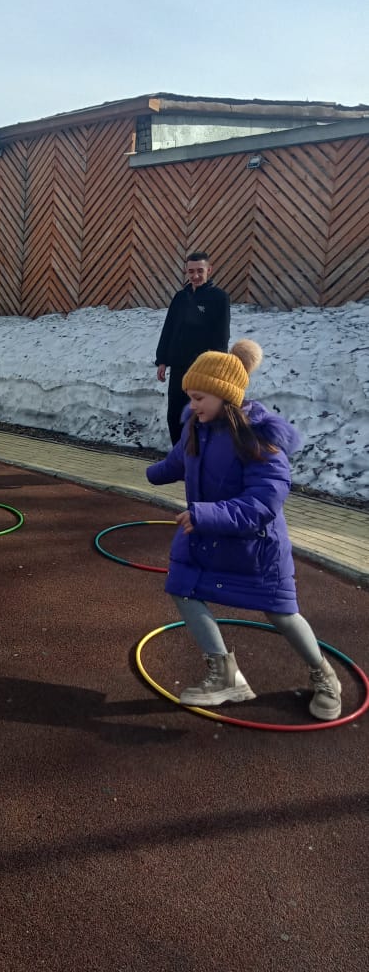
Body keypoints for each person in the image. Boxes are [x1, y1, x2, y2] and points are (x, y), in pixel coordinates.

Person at [146, 339, 341, 721]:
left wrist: (206, 514)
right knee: (182, 587)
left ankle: (324, 674)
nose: (192, 404)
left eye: (199, 396)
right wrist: (154, 473)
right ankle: (224, 674)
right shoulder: (195, 427)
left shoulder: (259, 441)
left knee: (281, 613)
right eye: (190, 395)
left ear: (225, 395)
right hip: (206, 538)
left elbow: (263, 504)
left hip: (256, 548)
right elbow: (179, 461)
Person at [155, 252, 230, 445]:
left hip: (202, 369)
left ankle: (196, 460)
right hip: (179, 367)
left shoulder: (219, 298)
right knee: (175, 416)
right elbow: (168, 328)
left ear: (209, 270)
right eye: (191, 271)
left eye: (200, 271)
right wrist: (162, 359)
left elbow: (222, 336)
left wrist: (217, 367)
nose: (195, 276)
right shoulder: (180, 298)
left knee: (196, 416)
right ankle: (179, 458)